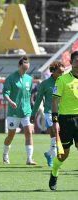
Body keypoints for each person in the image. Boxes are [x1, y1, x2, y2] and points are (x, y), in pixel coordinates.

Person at [49, 51, 78, 190]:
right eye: (76, 60)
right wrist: (55, 120)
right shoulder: (62, 80)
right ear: (71, 62)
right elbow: (55, 100)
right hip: (66, 120)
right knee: (63, 154)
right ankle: (54, 172)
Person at [2, 56, 36, 165]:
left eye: (27, 69)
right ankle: (5, 154)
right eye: (23, 68)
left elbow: (29, 94)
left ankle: (29, 158)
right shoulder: (11, 78)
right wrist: (11, 102)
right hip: (14, 112)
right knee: (11, 135)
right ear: (19, 66)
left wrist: (31, 108)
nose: (25, 71)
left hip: (26, 111)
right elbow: (5, 93)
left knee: (29, 132)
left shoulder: (29, 79)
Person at [31, 61, 65, 167]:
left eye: (63, 72)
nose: (61, 75)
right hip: (49, 113)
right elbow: (38, 100)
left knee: (58, 137)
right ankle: (54, 159)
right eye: (59, 72)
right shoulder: (45, 84)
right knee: (55, 133)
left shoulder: (64, 82)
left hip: (63, 113)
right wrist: (33, 114)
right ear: (53, 71)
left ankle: (49, 154)